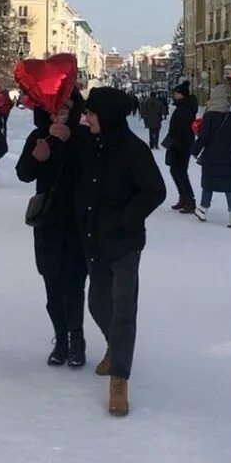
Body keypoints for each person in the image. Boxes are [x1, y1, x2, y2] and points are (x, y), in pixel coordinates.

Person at [77, 87, 167, 417]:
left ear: (109, 116)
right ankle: (116, 348)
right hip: (94, 241)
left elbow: (155, 190)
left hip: (124, 244)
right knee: (98, 302)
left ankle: (120, 378)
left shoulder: (134, 150)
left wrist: (125, 219)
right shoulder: (89, 145)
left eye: (92, 114)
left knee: (124, 308)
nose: (86, 118)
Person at [16, 90, 89, 367]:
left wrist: (70, 144)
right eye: (55, 109)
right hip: (47, 222)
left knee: (74, 284)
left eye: (66, 108)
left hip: (76, 222)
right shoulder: (38, 136)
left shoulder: (83, 137)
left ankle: (76, 340)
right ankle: (60, 338)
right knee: (52, 285)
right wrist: (37, 157)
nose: (60, 114)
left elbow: (92, 173)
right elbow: (23, 173)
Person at [192, 84, 231, 227]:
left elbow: (203, 137)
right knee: (229, 185)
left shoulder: (209, 116)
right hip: (229, 156)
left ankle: (203, 209)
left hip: (211, 155)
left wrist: (194, 150)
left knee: (209, 182)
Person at [163, 81, 197, 213]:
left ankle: (189, 200)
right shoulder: (183, 107)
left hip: (181, 145)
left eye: (176, 93)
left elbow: (182, 130)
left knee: (181, 172)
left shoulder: (184, 109)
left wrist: (176, 144)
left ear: (182, 95)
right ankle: (184, 197)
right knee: (175, 171)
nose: (174, 95)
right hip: (179, 144)